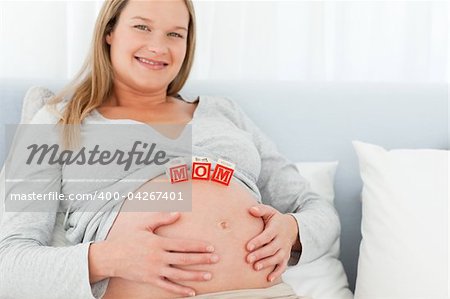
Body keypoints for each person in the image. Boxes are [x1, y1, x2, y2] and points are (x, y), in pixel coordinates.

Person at [0, 0, 340, 298]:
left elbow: (316, 210)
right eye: (142, 27)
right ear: (110, 31)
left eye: (175, 34)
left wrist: (295, 230)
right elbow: (8, 264)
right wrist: (109, 258)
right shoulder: (57, 121)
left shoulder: (225, 113)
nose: (158, 46)